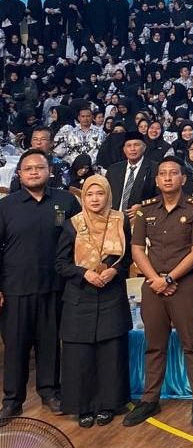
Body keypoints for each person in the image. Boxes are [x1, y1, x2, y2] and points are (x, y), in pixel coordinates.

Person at [123, 157, 193, 428]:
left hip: (184, 285)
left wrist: (170, 277)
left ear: (183, 178)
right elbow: (137, 249)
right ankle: (150, 400)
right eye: (163, 174)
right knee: (154, 344)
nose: (169, 178)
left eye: (174, 173)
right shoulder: (145, 210)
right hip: (153, 286)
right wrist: (156, 279)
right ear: (157, 180)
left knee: (192, 344)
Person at [0, 149, 81, 417]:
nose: (34, 172)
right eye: (28, 168)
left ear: (49, 171)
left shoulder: (66, 201)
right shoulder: (6, 206)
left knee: (49, 343)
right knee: (15, 345)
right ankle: (12, 400)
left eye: (39, 167)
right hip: (15, 288)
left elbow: (83, 241)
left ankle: (50, 391)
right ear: (20, 174)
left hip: (55, 286)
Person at [54, 175, 132, 427]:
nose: (95, 199)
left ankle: (108, 404)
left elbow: (129, 256)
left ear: (108, 195)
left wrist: (114, 271)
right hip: (80, 298)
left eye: (100, 194)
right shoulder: (72, 225)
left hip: (111, 296)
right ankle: (83, 406)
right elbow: (61, 263)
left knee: (110, 354)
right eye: (89, 194)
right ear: (83, 197)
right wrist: (83, 273)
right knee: (80, 356)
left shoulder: (120, 221)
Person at [105, 131, 158, 213]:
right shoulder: (113, 170)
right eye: (129, 146)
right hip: (114, 218)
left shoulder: (155, 169)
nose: (132, 149)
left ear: (144, 147)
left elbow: (160, 197)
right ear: (124, 149)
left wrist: (144, 206)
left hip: (140, 218)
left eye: (136, 145)